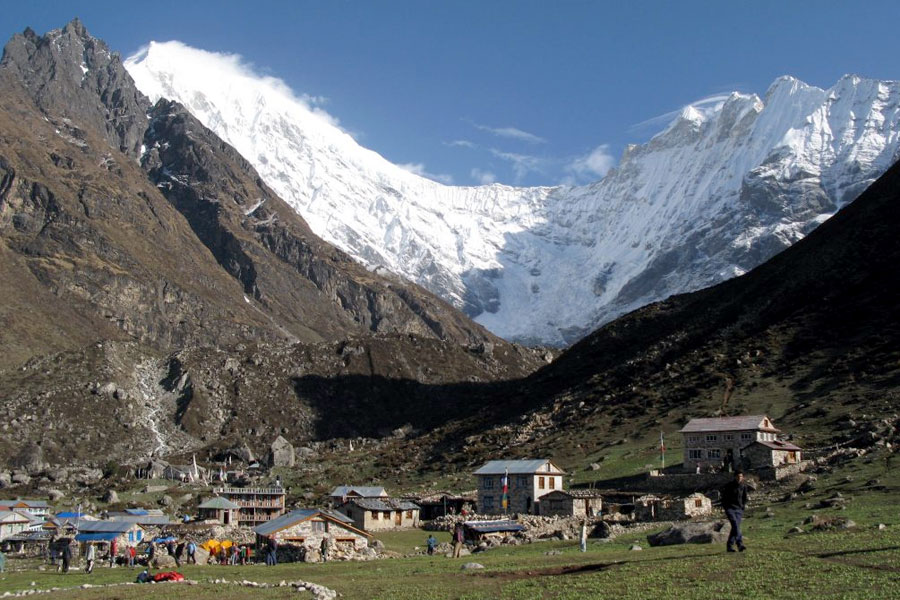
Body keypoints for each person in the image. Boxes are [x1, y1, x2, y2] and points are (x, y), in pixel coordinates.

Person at [721, 470, 749, 552]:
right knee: (735, 525)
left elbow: (745, 498)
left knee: (735, 527)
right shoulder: (729, 486)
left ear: (743, 477)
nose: (739, 478)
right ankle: (740, 544)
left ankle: (729, 546)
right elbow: (724, 498)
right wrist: (726, 507)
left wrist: (742, 507)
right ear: (734, 477)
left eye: (741, 476)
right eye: (738, 476)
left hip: (739, 509)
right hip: (730, 508)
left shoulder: (744, 486)